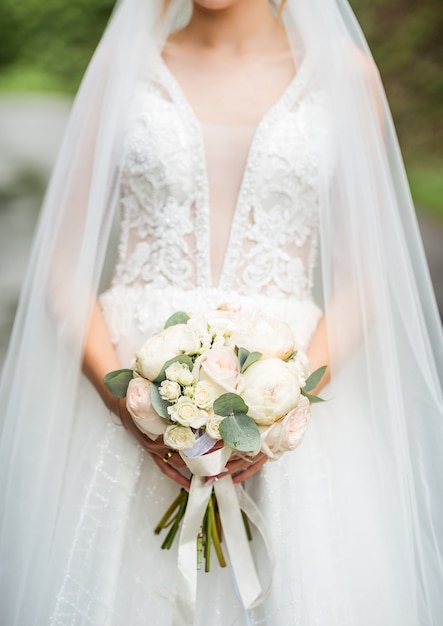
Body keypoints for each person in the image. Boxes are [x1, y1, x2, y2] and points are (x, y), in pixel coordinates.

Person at [0, 0, 442, 625]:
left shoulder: (344, 75)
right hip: (128, 394)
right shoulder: (124, 69)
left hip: (291, 407)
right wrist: (131, 405)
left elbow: (367, 277)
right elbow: (61, 270)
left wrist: (281, 403)